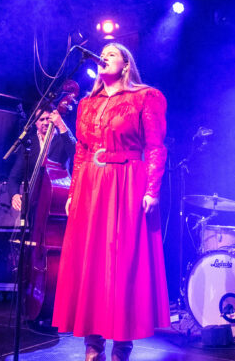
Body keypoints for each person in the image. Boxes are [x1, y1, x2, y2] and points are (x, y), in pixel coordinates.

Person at [52, 43, 169, 361]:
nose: (103, 56)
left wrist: (152, 190)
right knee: (90, 262)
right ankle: (93, 345)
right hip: (92, 184)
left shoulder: (145, 97)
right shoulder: (87, 103)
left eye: (112, 54)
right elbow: (81, 151)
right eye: (102, 53)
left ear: (126, 64)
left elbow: (155, 147)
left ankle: (122, 346)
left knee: (123, 263)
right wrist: (73, 191)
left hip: (128, 181)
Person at [8, 107, 76, 213]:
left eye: (48, 118)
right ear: (35, 122)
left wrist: (61, 126)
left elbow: (76, 154)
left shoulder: (63, 138)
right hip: (33, 199)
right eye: (41, 119)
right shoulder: (29, 142)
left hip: (57, 196)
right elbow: (15, 175)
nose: (45, 122)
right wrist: (14, 195)